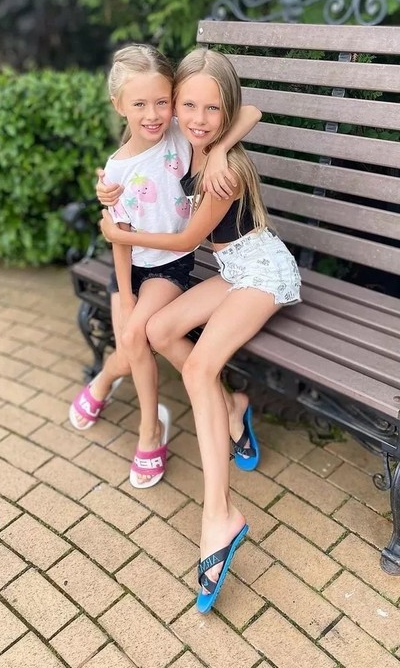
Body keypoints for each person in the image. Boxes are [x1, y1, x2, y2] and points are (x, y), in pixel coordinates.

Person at [99, 48, 301, 612]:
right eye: (188, 105)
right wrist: (109, 194)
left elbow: (188, 240)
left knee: (198, 369)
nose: (198, 118)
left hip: (263, 272)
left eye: (213, 110)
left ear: (223, 109)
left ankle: (219, 515)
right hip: (233, 269)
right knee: (160, 329)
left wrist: (119, 235)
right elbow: (250, 111)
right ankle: (232, 407)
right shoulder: (186, 141)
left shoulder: (222, 171)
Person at [69, 43, 260, 492]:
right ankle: (103, 383)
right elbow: (118, 237)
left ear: (173, 100)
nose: (153, 114)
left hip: (169, 266)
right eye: (140, 104)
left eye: (162, 101)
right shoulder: (116, 170)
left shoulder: (180, 131)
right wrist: (124, 295)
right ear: (119, 105)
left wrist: (220, 150)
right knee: (129, 338)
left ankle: (149, 431)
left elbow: (249, 111)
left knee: (136, 334)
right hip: (131, 267)